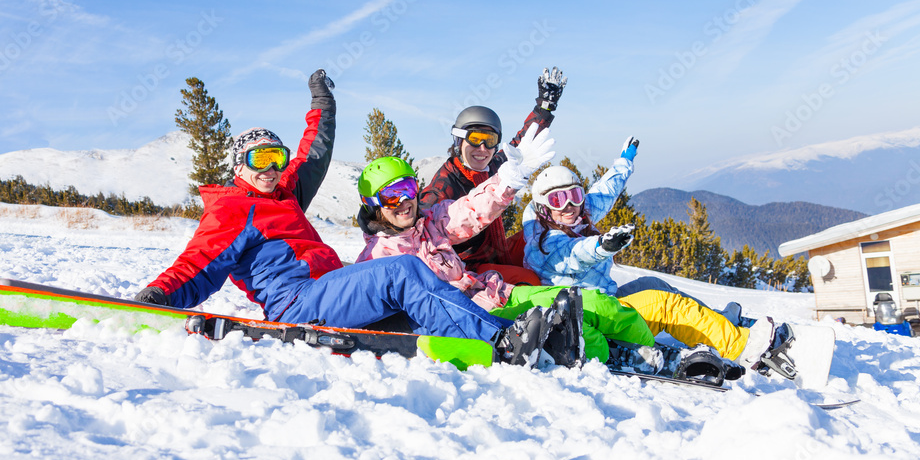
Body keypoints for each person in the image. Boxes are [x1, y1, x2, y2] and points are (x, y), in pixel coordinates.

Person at [133, 69, 572, 365]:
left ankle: (522, 337)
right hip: (299, 302)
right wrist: (157, 298)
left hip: (326, 288)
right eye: (258, 159)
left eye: (276, 157)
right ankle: (504, 341)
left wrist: (322, 103)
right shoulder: (231, 208)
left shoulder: (282, 194)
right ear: (238, 167)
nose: (270, 169)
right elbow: (198, 263)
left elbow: (315, 153)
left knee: (417, 300)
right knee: (402, 271)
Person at [353, 127, 655, 366]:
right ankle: (614, 357)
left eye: (407, 189)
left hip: (497, 292)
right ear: (373, 205)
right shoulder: (377, 257)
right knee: (581, 332)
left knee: (597, 304)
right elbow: (373, 310)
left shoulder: (431, 220)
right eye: (392, 196)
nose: (404, 202)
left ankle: (647, 349)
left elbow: (471, 210)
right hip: (475, 315)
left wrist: (509, 179)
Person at [522, 160, 792, 375]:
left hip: (604, 300)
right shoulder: (545, 243)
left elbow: (603, 194)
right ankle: (743, 347)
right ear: (544, 207)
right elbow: (574, 254)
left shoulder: (572, 218)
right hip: (591, 315)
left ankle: (721, 323)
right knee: (664, 304)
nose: (570, 205)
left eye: (575, 195)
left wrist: (624, 162)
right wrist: (603, 246)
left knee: (654, 285)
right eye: (559, 200)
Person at [420, 67, 569, 285]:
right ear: (459, 141)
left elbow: (523, 141)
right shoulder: (446, 183)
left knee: (544, 236)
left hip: (498, 253)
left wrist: (544, 107)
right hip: (471, 267)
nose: (482, 148)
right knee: (529, 278)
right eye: (474, 138)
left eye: (489, 140)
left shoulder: (493, 166)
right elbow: (422, 226)